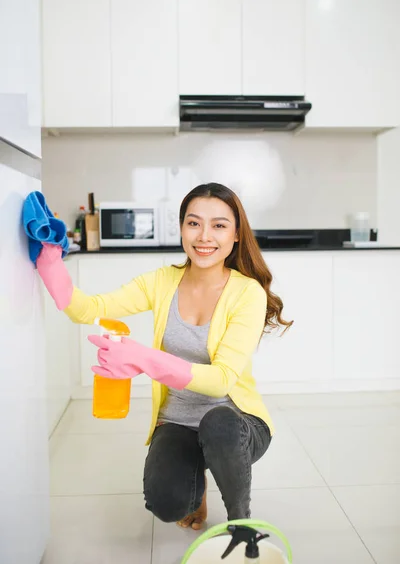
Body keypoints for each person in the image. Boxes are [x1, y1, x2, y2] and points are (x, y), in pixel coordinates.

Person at [37, 182, 292, 530]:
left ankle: (240, 525)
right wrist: (49, 259)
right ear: (182, 228)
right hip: (178, 421)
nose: (204, 236)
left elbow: (220, 381)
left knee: (218, 423)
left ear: (235, 235)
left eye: (219, 225)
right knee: (166, 503)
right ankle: (196, 483)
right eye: (193, 222)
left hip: (238, 424)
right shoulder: (160, 282)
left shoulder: (247, 293)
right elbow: (87, 309)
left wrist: (143, 359)